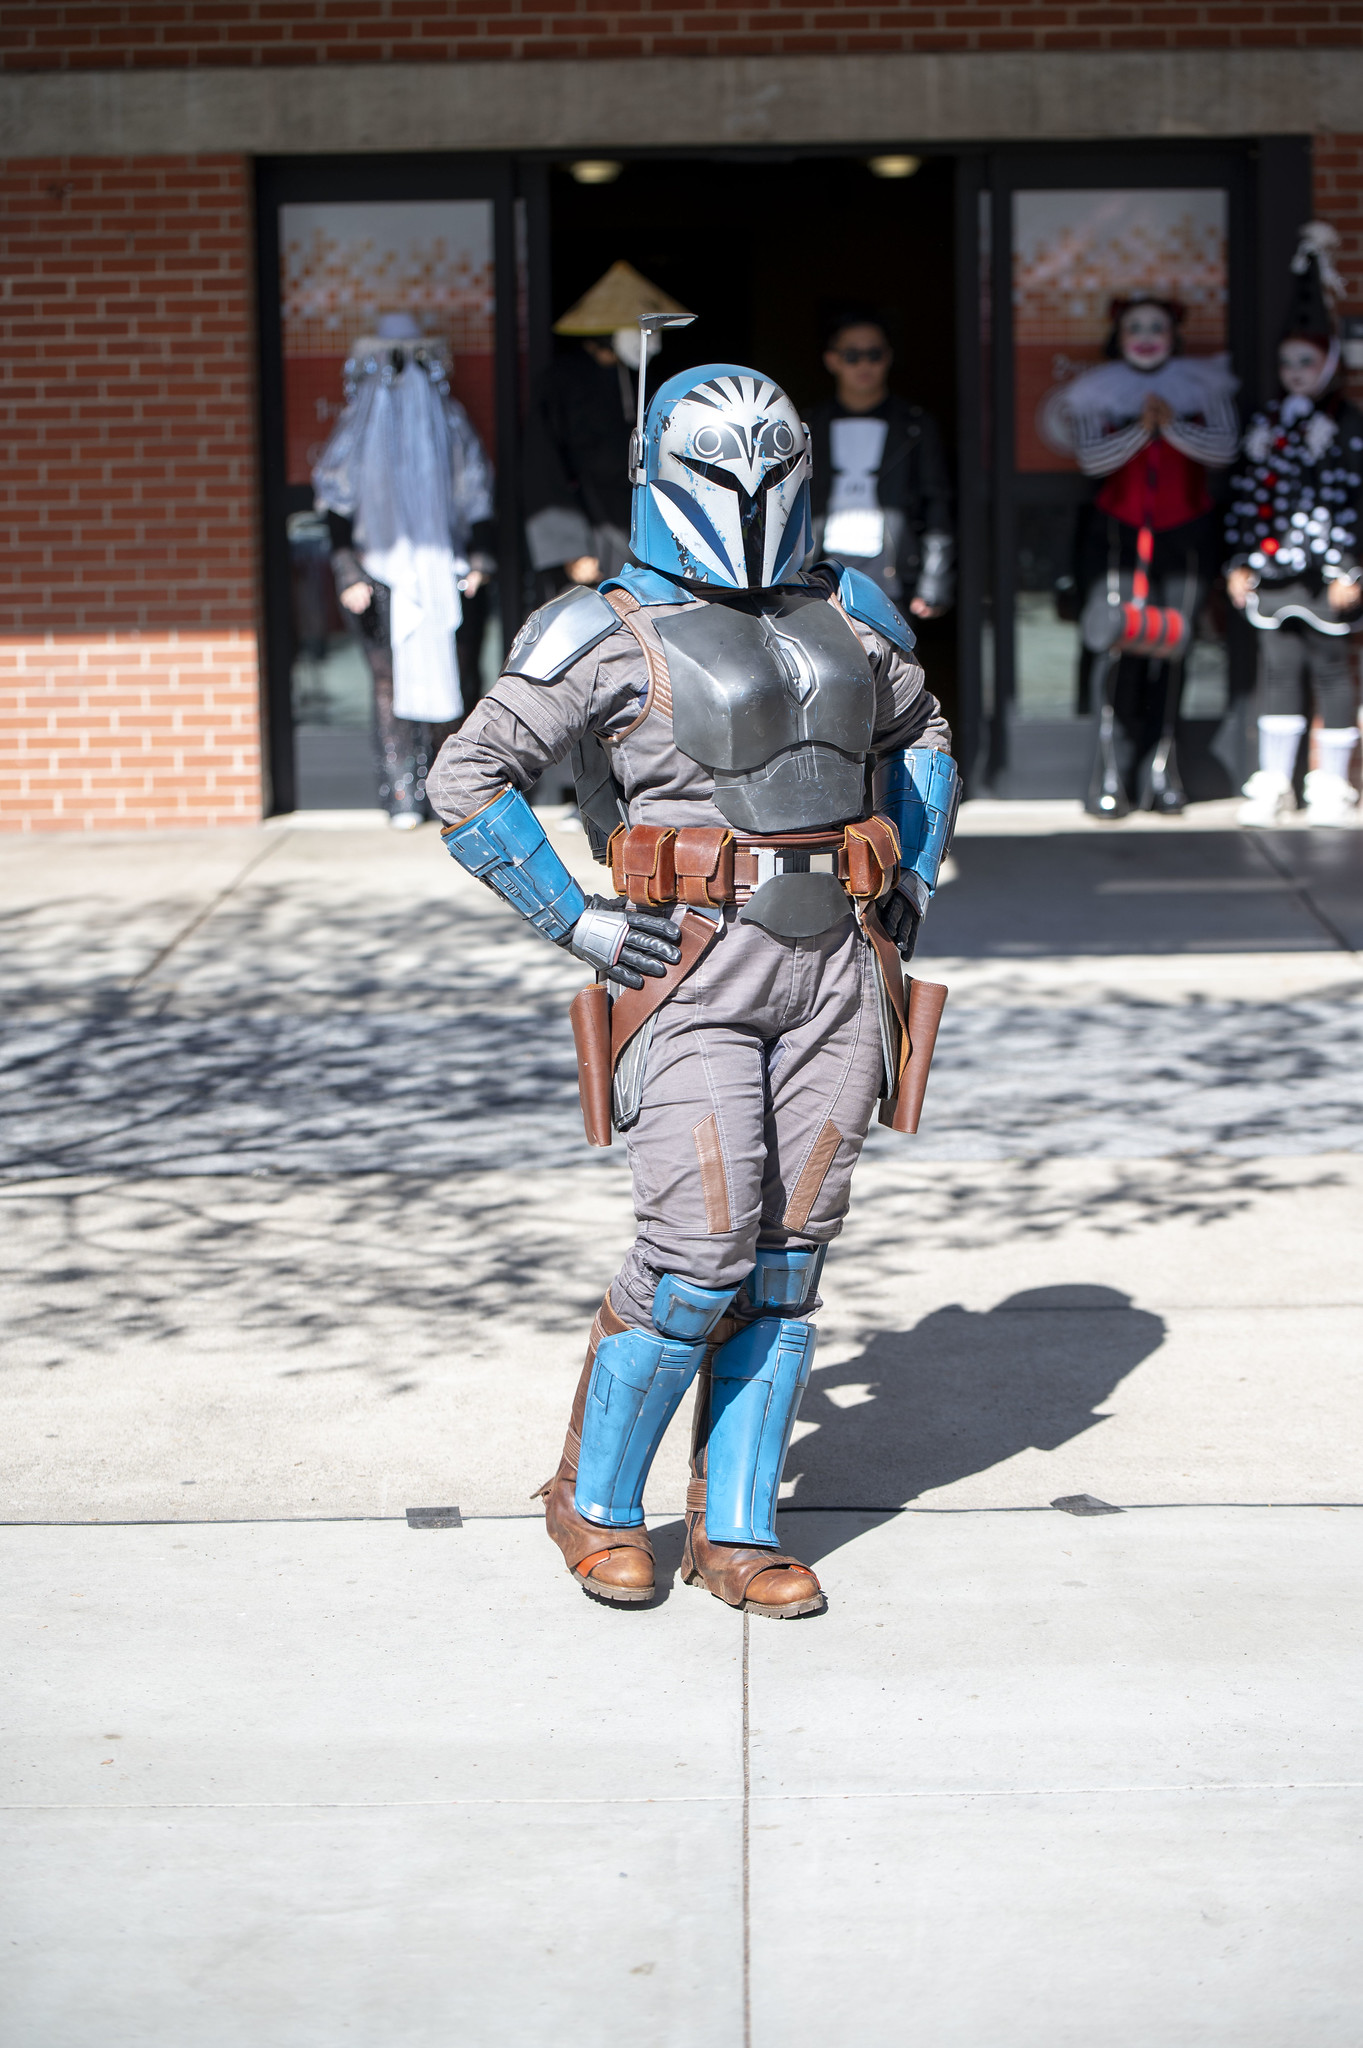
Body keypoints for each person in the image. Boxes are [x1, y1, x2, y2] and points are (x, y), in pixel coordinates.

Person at [429, 339, 959, 1619]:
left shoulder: (852, 610)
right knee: (694, 1258)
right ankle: (596, 1500)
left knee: (788, 1261)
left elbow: (918, 733)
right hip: (693, 972)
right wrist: (582, 925)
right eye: (719, 463)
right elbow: (465, 780)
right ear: (656, 466)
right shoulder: (598, 629)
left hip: (838, 967)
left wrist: (913, 879)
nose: (748, 486)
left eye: (772, 460)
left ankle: (737, 1524)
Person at [1043, 297, 1239, 813]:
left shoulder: (1203, 385)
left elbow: (1224, 447)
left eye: (1158, 326)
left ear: (1174, 333)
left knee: (1175, 646)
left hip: (1186, 532)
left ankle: (1163, 772)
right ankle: (1109, 773)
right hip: (1119, 533)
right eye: (1136, 326)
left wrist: (1171, 426)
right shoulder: (1099, 390)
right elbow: (1092, 458)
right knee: (1117, 646)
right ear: (1119, 333)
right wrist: (1142, 428)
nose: (1148, 335)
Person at [313, 314, 495, 826]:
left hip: (446, 569)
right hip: (379, 571)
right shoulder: (358, 426)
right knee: (387, 680)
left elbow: (475, 490)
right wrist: (349, 572)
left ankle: (452, 790)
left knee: (457, 674)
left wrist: (479, 560)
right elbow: (334, 501)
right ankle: (401, 793)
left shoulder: (449, 421)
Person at [1226, 223, 1363, 828]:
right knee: (1277, 670)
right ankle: (1276, 781)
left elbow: (1355, 497)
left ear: (1328, 360)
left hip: (1327, 569)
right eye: (1286, 362)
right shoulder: (1268, 420)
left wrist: (1352, 567)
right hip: (1273, 565)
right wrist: (1239, 559)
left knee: (1331, 669)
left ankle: (1332, 784)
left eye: (1306, 361)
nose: (1294, 371)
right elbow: (1248, 493)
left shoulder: (1347, 422)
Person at [524, 261, 691, 601]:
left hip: (642, 525)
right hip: (590, 526)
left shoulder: (645, 380)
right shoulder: (561, 382)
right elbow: (541, 466)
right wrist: (570, 547)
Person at [806, 306, 954, 617]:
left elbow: (936, 504)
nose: (864, 364)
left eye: (874, 354)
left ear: (888, 357)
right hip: (821, 570)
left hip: (890, 573)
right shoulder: (807, 425)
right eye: (852, 355)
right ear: (832, 359)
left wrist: (934, 583)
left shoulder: (915, 426)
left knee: (892, 665)